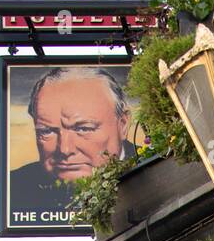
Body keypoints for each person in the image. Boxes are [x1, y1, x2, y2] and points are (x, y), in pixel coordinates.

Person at [8, 66, 135, 223]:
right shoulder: (14, 188)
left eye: (83, 129)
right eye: (47, 131)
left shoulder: (156, 170)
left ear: (122, 124)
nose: (65, 149)